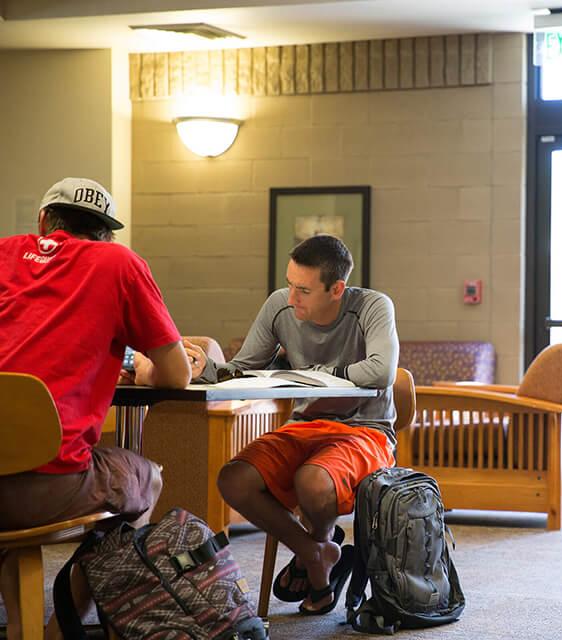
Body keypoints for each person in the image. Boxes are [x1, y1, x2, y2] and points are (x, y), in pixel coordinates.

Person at [0, 177, 201, 640]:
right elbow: (175, 375)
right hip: (46, 487)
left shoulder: (7, 252)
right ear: (106, 234)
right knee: (147, 476)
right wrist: (150, 362)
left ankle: (19, 626)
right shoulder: (117, 262)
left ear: (44, 221)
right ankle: (57, 628)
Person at [198, 234, 399, 616]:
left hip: (366, 428)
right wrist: (206, 369)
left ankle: (320, 556)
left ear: (336, 289)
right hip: (303, 424)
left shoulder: (372, 306)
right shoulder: (279, 304)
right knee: (233, 478)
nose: (291, 298)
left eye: (303, 290)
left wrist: (319, 372)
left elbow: (381, 371)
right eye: (290, 284)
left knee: (314, 480)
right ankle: (316, 553)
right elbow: (246, 366)